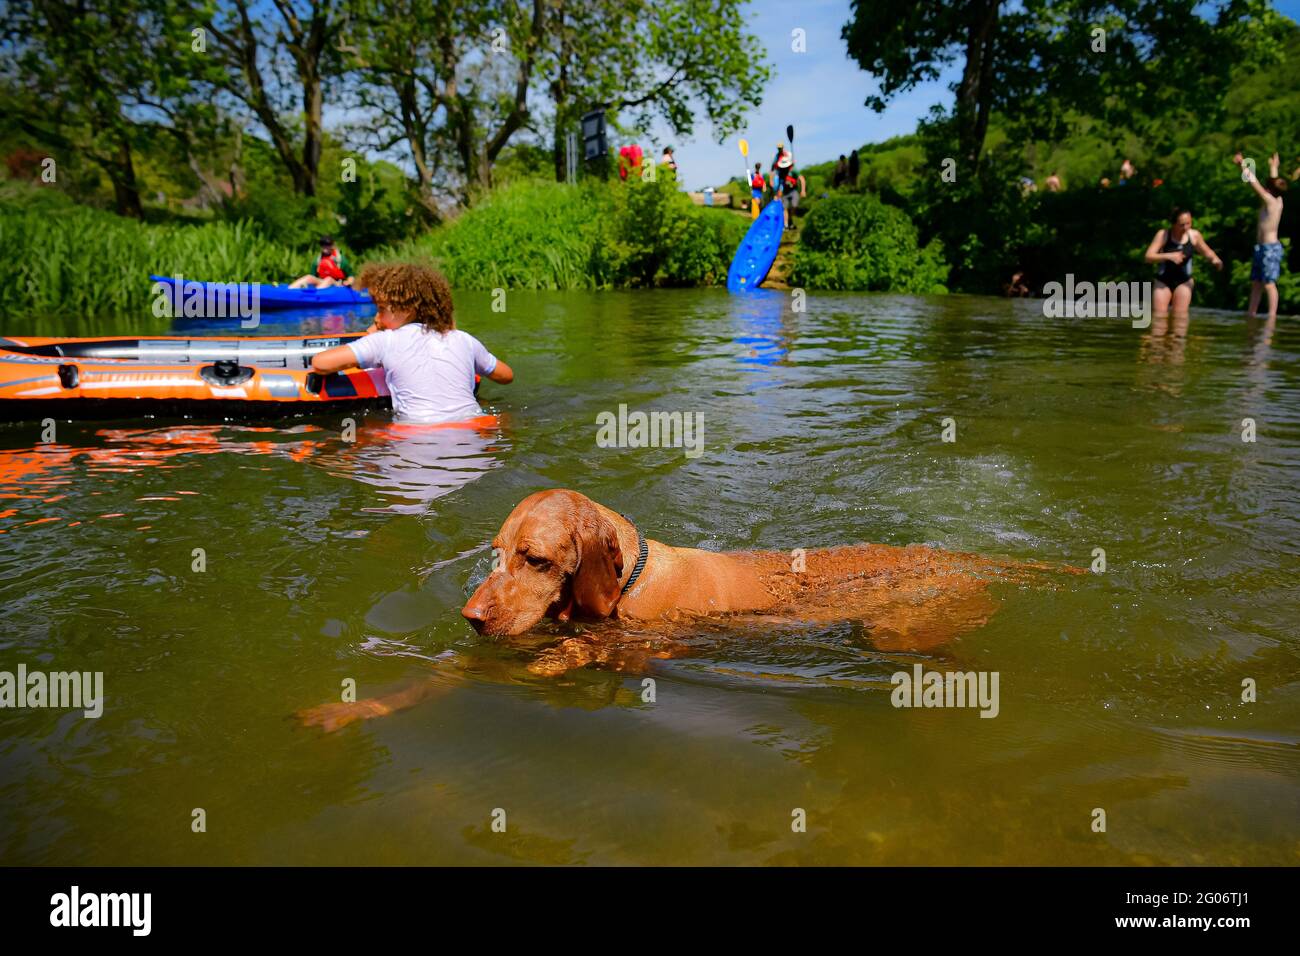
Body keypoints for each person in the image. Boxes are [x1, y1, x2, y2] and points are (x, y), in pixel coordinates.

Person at [311, 262, 514, 423]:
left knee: (363, 437)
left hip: (418, 435)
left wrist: (371, 336)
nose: (377, 316)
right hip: (476, 427)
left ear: (407, 310)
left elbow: (321, 363)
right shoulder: (464, 339)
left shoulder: (385, 341)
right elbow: (506, 376)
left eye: (381, 309)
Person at [1233, 151, 1287, 321]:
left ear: (1269, 190)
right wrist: (1273, 167)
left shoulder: (1270, 200)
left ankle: (1272, 315)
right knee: (1256, 283)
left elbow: (1253, 182)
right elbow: (1273, 183)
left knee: (1269, 284)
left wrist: (1242, 164)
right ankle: (1251, 313)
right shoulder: (1278, 199)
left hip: (1269, 248)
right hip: (1262, 247)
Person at [1143, 208, 1223, 319]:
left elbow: (1207, 252)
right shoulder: (1164, 235)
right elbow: (1148, 257)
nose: (1185, 227)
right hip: (1163, 281)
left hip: (1184, 281)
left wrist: (1215, 260)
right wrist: (1169, 256)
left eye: (1188, 224)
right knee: (1159, 317)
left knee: (1179, 319)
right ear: (1174, 224)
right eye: (1181, 225)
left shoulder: (1194, 236)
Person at [772, 153, 805, 230]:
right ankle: (786, 225)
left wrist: (803, 190)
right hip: (785, 192)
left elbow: (801, 179)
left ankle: (790, 219)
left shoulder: (794, 171)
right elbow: (780, 184)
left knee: (794, 206)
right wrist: (777, 195)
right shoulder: (781, 173)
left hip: (794, 191)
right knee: (785, 208)